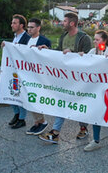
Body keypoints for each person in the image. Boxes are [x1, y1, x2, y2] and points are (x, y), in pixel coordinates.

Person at [39, 12, 92, 143]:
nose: (62, 23)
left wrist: (72, 54)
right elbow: (59, 52)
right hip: (64, 77)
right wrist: (47, 50)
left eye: (64, 21)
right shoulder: (64, 36)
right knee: (62, 102)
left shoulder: (84, 38)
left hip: (79, 79)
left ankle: (83, 128)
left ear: (72, 23)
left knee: (79, 103)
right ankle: (55, 132)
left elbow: (89, 58)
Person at [81, 30, 108, 151]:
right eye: (94, 39)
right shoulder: (92, 51)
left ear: (104, 41)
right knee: (95, 114)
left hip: (106, 90)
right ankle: (96, 140)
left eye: (97, 40)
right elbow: (84, 64)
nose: (94, 41)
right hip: (93, 88)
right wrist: (79, 56)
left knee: (104, 113)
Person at [2, 14, 31, 129]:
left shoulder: (27, 38)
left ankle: (22, 119)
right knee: (12, 92)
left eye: (14, 23)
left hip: (22, 72)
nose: (12, 25)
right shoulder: (15, 37)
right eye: (12, 22)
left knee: (21, 94)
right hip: (13, 71)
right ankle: (16, 113)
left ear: (21, 25)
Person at [25, 18, 52, 135]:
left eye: (31, 27)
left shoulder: (44, 41)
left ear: (38, 28)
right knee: (29, 99)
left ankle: (42, 121)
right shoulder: (25, 39)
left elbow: (51, 57)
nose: (29, 29)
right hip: (27, 74)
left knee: (35, 99)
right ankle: (37, 122)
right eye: (28, 27)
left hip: (39, 76)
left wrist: (47, 50)